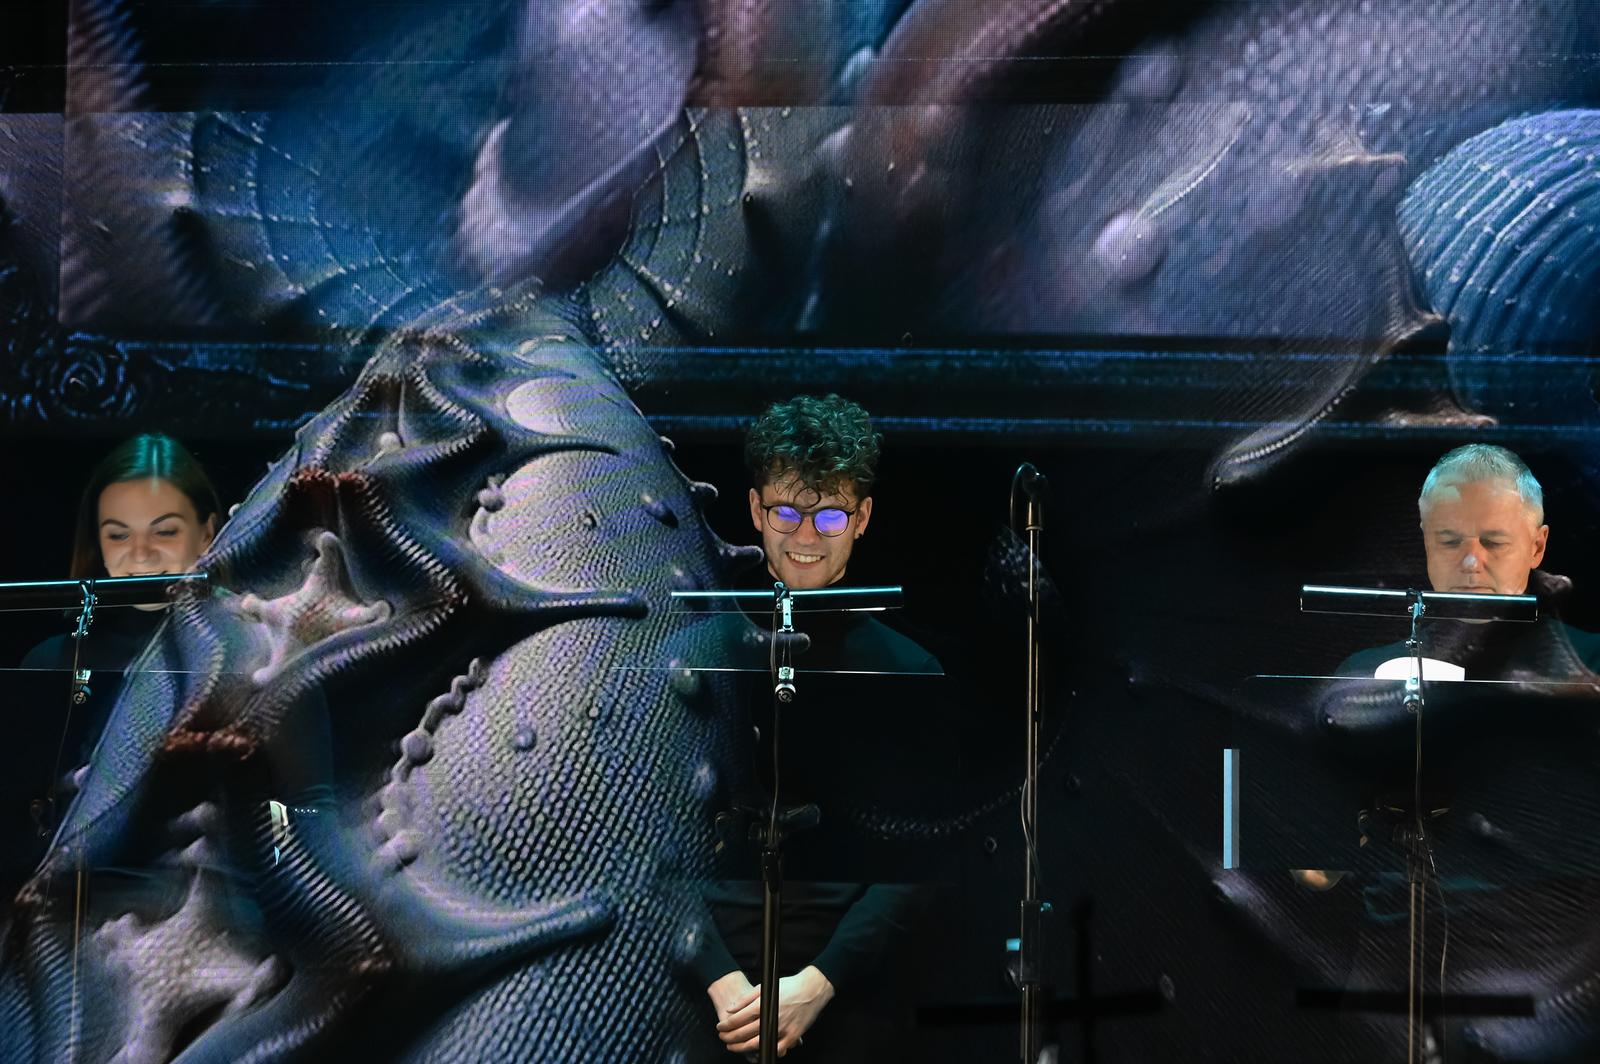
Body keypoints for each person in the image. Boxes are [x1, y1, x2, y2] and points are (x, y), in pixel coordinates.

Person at [688, 394, 945, 1062]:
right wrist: (717, 976)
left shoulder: (910, 669)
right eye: (786, 513)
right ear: (755, 510)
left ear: (862, 518)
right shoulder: (697, 649)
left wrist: (820, 982)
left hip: (848, 988)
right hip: (701, 982)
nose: (805, 537)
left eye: (829, 515)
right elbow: (639, 838)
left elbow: (922, 858)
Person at [1339, 443, 1600, 678]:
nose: (1471, 563)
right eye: (1449, 542)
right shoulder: (1366, 674)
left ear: (1536, 547)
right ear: (1426, 543)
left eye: (1494, 542)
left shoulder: (1590, 665)